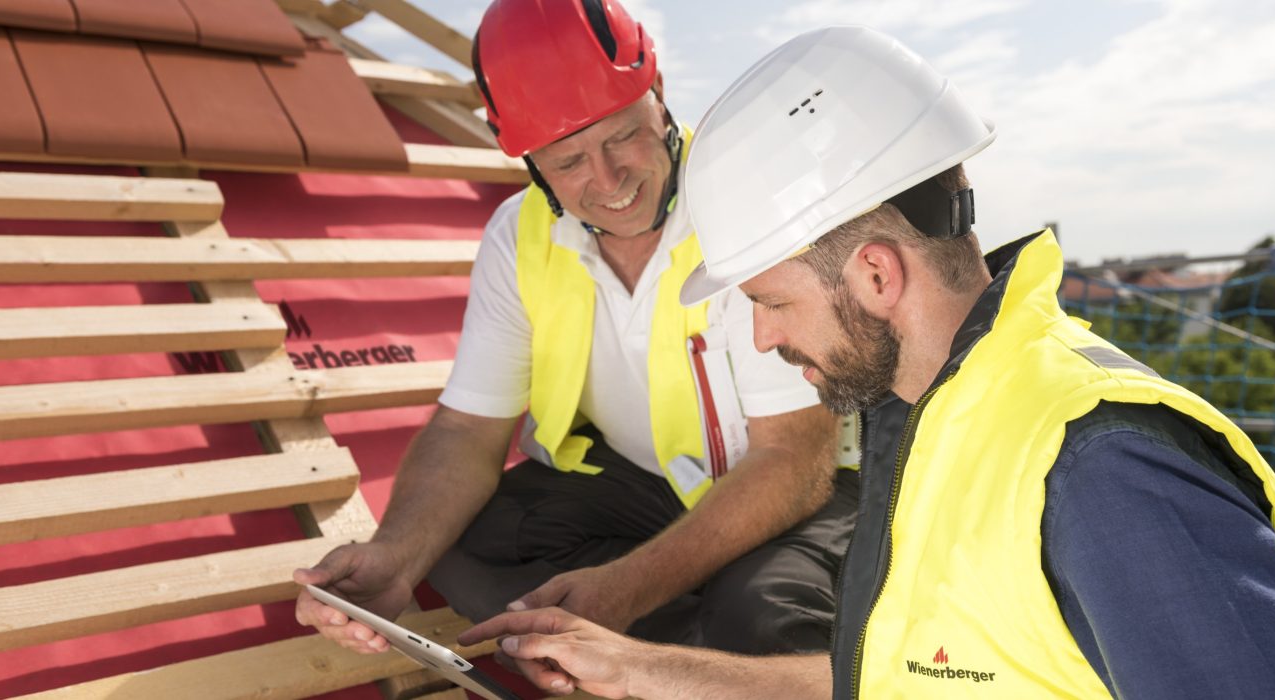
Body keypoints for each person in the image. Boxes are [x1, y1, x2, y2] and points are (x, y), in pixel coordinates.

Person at [460, 25, 1275, 698]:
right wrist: (645, 670)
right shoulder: (935, 422)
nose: (762, 339)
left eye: (769, 302)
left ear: (875, 275)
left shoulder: (1099, 475)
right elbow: (897, 675)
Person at [293, 0, 859, 658]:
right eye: (567, 162)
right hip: (641, 487)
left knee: (762, 614)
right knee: (457, 549)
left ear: (660, 94)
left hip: (800, 489)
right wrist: (393, 557)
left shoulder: (747, 207)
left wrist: (629, 587)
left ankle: (702, 651)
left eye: (623, 136)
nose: (609, 180)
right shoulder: (520, 234)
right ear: (530, 162)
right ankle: (697, 653)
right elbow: (467, 431)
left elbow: (793, 461)